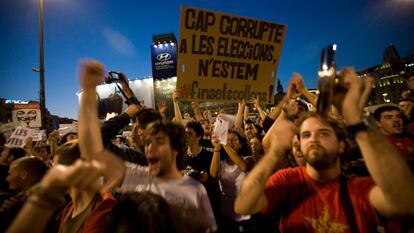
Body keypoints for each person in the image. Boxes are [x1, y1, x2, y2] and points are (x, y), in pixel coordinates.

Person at [235, 68, 414, 232]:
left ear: (341, 145)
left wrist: (356, 120)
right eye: (305, 135)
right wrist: (274, 153)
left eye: (323, 133)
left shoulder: (359, 188)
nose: (313, 138)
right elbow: (244, 205)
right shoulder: (288, 181)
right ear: (297, 144)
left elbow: (406, 204)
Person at [77, 60, 217, 232]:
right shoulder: (139, 176)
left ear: (175, 148)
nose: (150, 147)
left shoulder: (195, 190)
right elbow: (91, 150)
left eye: (159, 142)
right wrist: (90, 91)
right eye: (148, 142)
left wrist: (126, 113)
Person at [0, 156, 48, 232]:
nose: (7, 178)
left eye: (10, 174)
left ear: (24, 174)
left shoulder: (46, 202)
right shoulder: (22, 195)